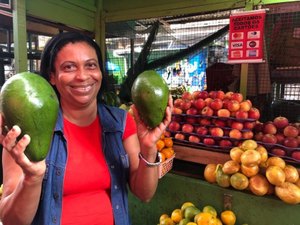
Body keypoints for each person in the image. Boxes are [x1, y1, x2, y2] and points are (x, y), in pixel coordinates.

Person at [0, 32, 173, 225]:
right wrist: (32, 178)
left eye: (91, 65)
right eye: (69, 67)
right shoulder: (28, 128)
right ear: (52, 77)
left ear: (100, 72)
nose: (82, 76)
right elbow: (11, 221)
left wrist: (149, 148)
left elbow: (144, 194)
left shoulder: (120, 122)